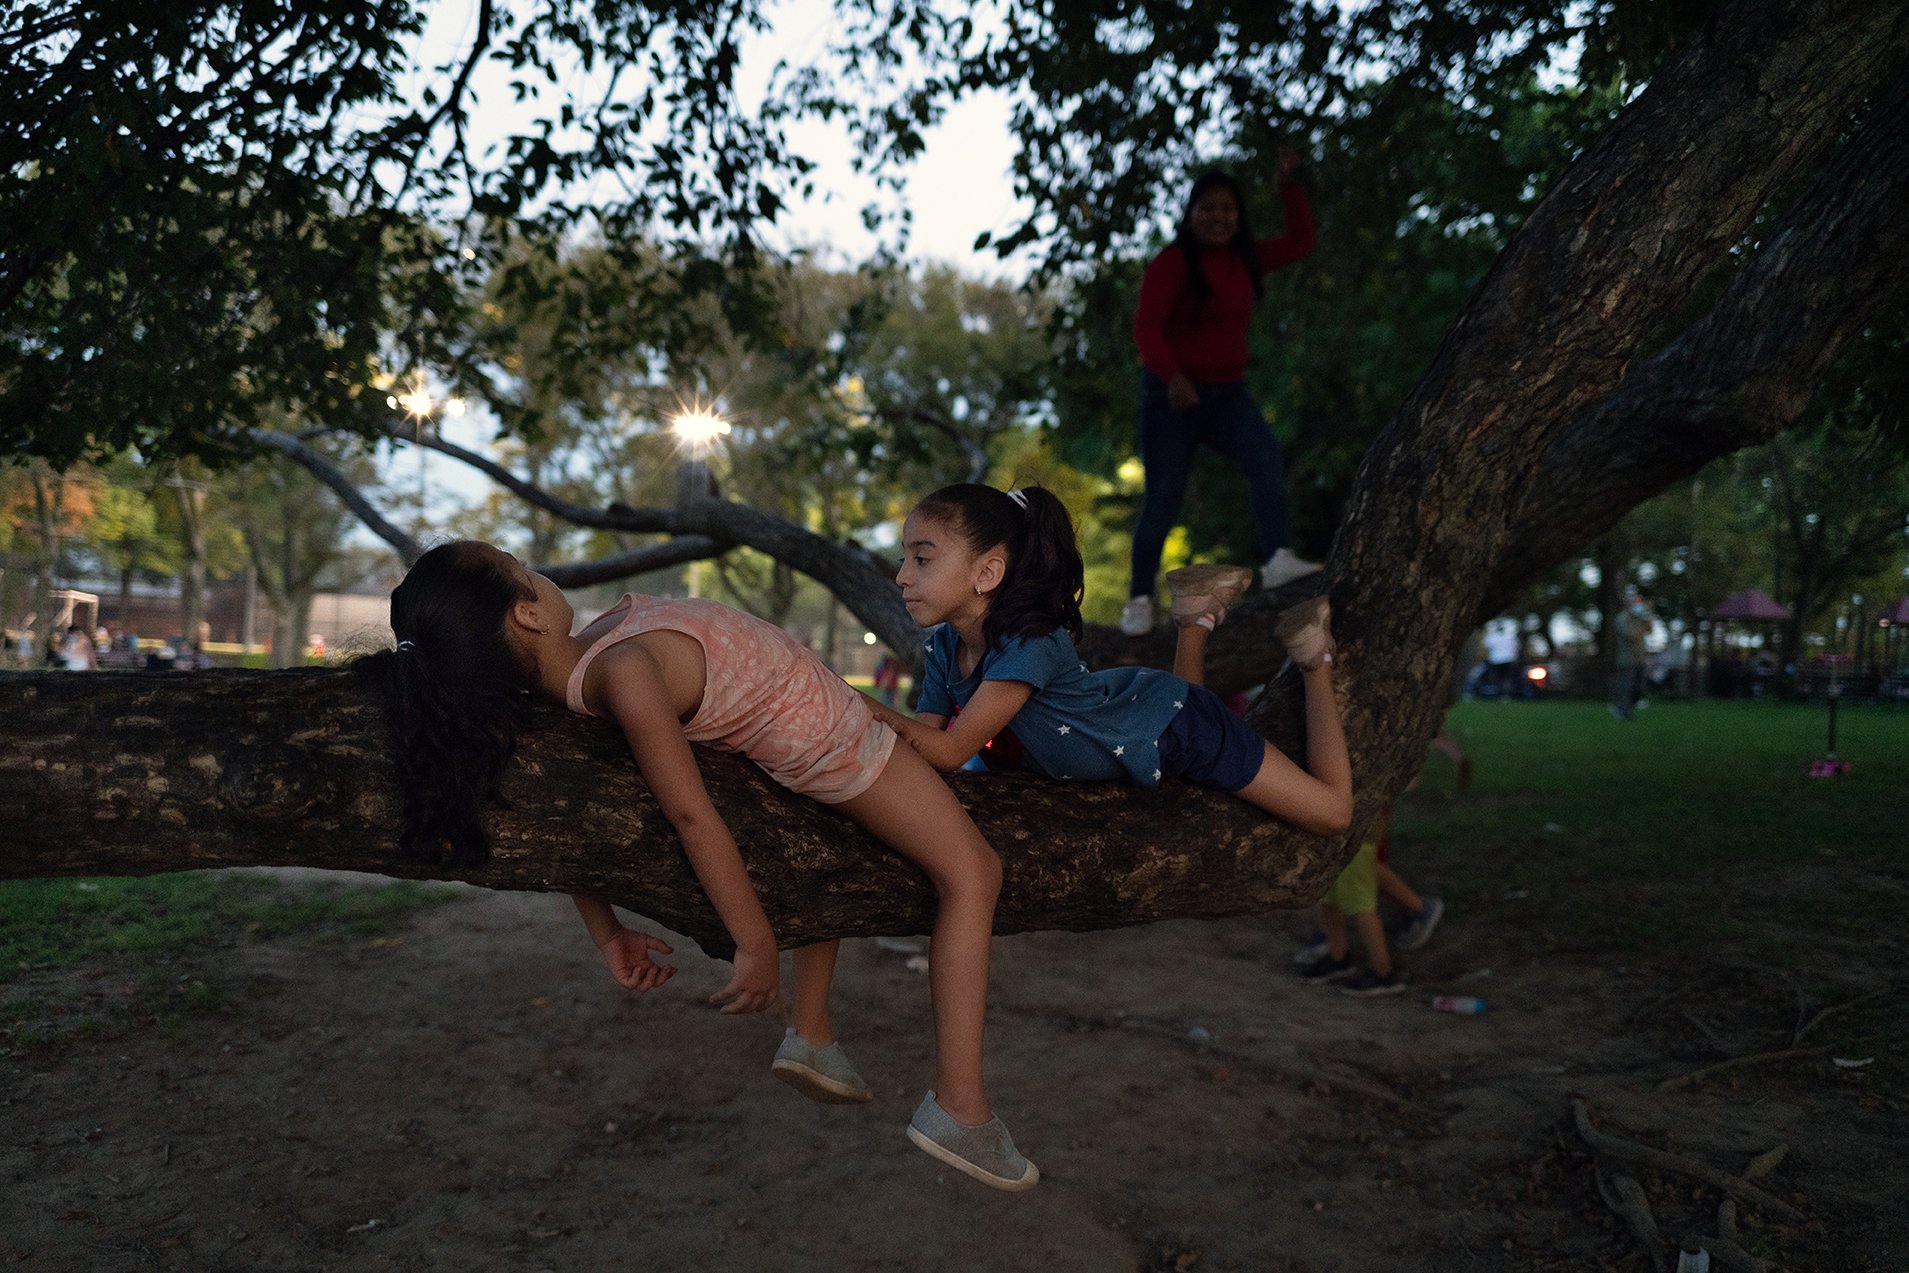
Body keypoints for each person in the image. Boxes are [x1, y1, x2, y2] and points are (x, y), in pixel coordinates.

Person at [360, 540, 1036, 1191]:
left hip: (806, 718)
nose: (535, 572)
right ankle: (959, 1104)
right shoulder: (618, 674)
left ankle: (812, 1034)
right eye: (520, 568)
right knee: (974, 872)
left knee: (828, 860)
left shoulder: (594, 651)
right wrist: (753, 940)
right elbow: (689, 815)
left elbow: (565, 817)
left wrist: (608, 932)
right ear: (526, 613)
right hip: (829, 741)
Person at [871, 483, 1352, 838]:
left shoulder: (1029, 644)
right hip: (1141, 716)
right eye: (902, 559)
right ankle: (1195, 616)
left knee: (1332, 814)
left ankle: (1314, 657)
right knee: (1188, 716)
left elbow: (953, 750)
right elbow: (927, 748)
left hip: (1174, 726)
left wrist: (848, 703)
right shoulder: (942, 648)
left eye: (922, 559)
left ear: (988, 572)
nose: (902, 578)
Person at [1121, 144, 1323, 637]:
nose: (1218, 217)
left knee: (1265, 457)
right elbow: (1147, 328)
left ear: (1238, 217)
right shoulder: (1172, 264)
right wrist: (1174, 378)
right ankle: (1139, 600)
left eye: (1227, 209)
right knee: (1164, 498)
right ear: (1190, 215)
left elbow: (1300, 241)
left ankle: (1278, 558)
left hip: (1225, 393)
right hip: (1171, 397)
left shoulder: (1245, 259)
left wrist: (1288, 186)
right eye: (1207, 208)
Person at [1297, 807, 1407, 996]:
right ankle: (1337, 956)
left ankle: (1383, 972)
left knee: (1362, 906)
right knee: (1329, 896)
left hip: (1357, 839)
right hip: (1334, 834)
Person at [1611, 590, 1650, 720]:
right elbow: (1632, 636)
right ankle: (1622, 711)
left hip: (1640, 658)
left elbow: (1650, 629)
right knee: (1626, 687)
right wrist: (1643, 625)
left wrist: (1647, 618)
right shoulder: (1621, 619)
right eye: (1635, 602)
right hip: (1626, 659)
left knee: (1638, 688)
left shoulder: (1640, 618)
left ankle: (1622, 707)